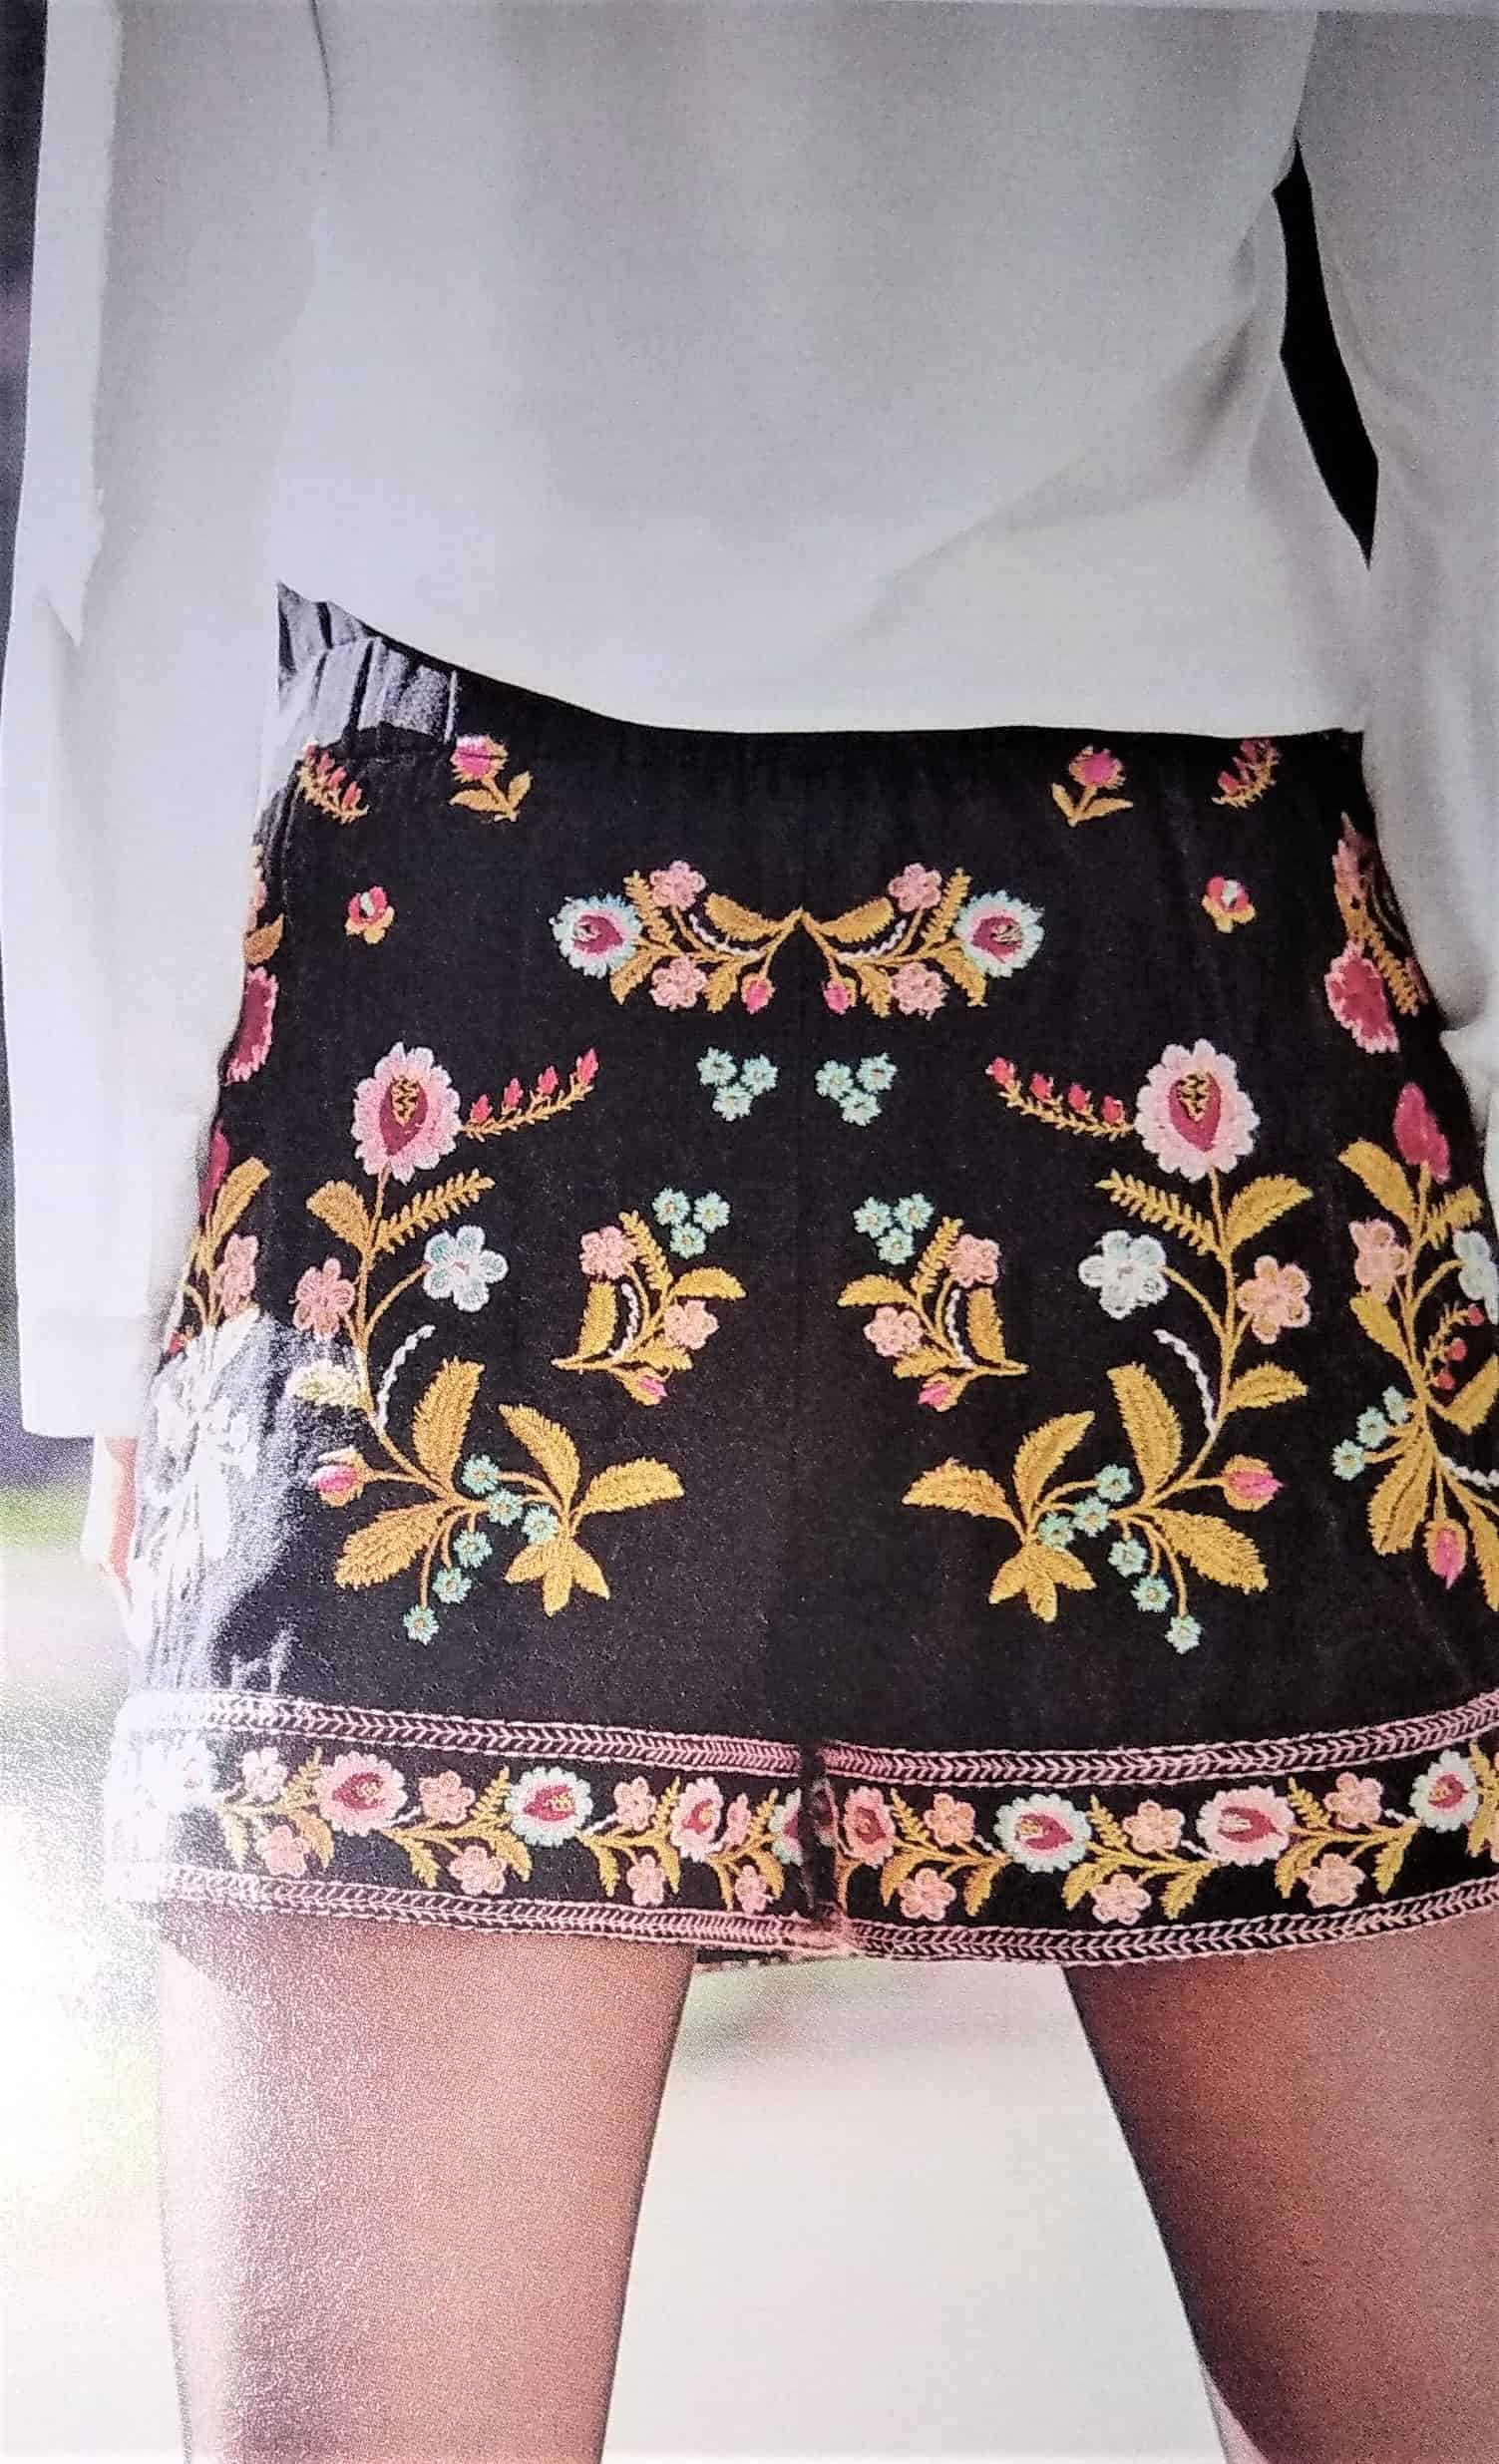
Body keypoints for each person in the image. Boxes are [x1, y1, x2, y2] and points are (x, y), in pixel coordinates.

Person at [4, 4, 1497, 2458]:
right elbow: (1467, 373)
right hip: (1185, 977)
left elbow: (131, 479)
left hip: (459, 963)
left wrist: (107, 1303)